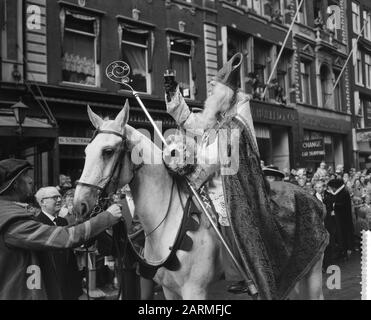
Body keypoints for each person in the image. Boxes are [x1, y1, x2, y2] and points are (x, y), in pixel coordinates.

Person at [165, 53, 328, 300]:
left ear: (223, 95)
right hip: (209, 183)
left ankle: (246, 272)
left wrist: (191, 171)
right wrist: (173, 94)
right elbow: (190, 121)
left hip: (234, 186)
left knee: (232, 216)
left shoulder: (235, 123)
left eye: (213, 87)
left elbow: (218, 158)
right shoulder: (215, 120)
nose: (209, 90)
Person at [0, 159, 123, 300]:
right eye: (26, 176)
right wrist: (107, 217)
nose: (30, 180)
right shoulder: (11, 220)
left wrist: (86, 219)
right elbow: (64, 238)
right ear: (15, 184)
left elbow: (56, 231)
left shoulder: (11, 212)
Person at [34, 187, 82, 300]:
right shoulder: (37, 223)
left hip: (69, 278)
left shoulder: (63, 221)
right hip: (51, 279)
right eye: (55, 197)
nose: (59, 200)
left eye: (60, 196)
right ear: (42, 202)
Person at [327, 178, 354, 260]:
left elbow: (340, 205)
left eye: (332, 187)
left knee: (343, 235)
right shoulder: (342, 192)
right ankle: (342, 251)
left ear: (335, 187)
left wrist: (334, 206)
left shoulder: (343, 193)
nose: (331, 189)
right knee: (340, 236)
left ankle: (344, 252)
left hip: (343, 219)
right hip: (341, 219)